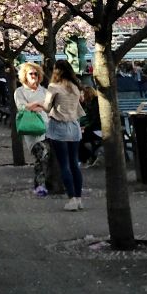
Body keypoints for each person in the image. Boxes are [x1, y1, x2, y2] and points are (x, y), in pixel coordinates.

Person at [45, 60, 85, 210]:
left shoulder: (54, 87)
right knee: (74, 163)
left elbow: (47, 106)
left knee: (64, 165)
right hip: (74, 126)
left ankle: (72, 198)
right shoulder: (75, 87)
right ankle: (79, 197)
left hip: (59, 127)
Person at [14, 63, 50, 196]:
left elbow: (48, 107)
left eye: (36, 74)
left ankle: (46, 183)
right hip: (32, 129)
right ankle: (39, 185)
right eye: (31, 74)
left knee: (47, 157)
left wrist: (35, 106)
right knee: (40, 155)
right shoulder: (20, 91)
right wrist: (38, 105)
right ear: (25, 76)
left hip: (47, 127)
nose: (34, 76)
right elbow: (22, 107)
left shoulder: (44, 91)